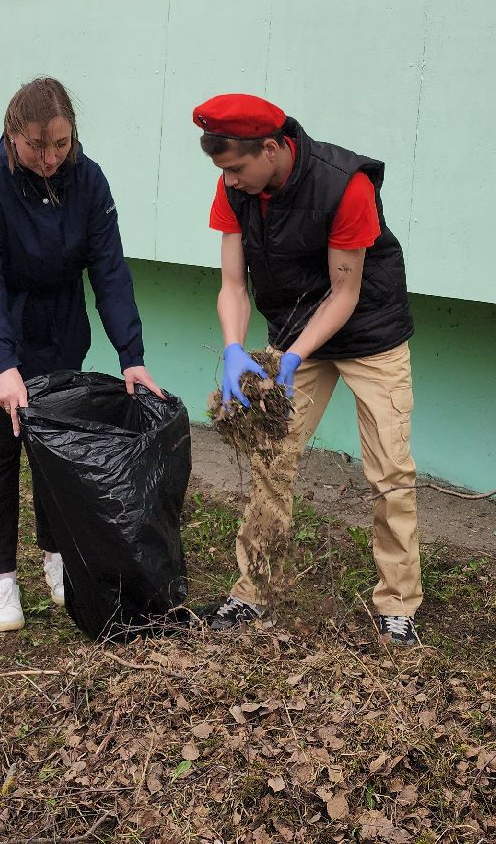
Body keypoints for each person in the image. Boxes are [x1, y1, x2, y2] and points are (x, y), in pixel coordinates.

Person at [192, 93, 425, 646]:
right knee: (271, 458)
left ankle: (398, 604)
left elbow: (345, 294)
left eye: (236, 168)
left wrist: (293, 358)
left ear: (271, 149)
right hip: (297, 329)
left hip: (370, 334)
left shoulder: (346, 186)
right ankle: (252, 593)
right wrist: (234, 348)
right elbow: (233, 284)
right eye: (223, 171)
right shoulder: (235, 186)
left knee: (390, 472)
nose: (229, 181)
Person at [0, 77, 163, 633]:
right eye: (37, 146)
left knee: (54, 455)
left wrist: (130, 354)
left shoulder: (89, 181)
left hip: (57, 335)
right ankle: (2, 581)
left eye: (60, 144)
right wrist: (3, 366)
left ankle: (56, 557)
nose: (49, 158)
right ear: (12, 135)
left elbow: (109, 271)